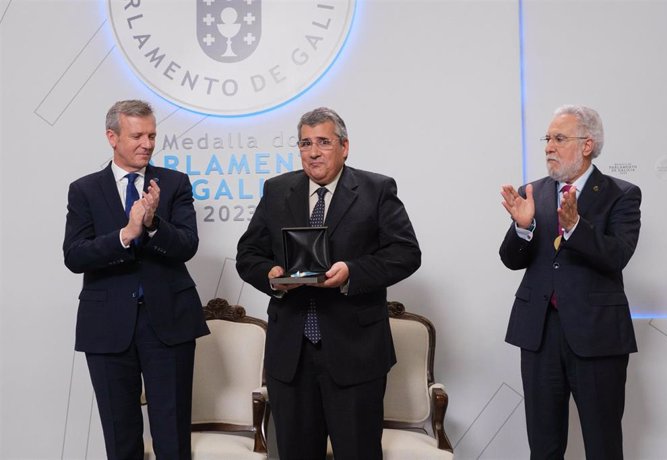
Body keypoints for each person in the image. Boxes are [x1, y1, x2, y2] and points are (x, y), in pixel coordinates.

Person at [236, 107, 421, 459]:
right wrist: (271, 277)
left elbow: (406, 253)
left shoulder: (376, 189)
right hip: (292, 355)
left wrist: (352, 272)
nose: (314, 151)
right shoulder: (277, 191)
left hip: (355, 353)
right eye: (305, 143)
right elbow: (248, 254)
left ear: (344, 146)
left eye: (323, 141)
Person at [63, 100, 209, 459]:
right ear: (112, 137)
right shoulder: (84, 190)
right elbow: (75, 255)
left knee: (172, 436)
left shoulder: (174, 183)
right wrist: (126, 234)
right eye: (137, 135)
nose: (147, 143)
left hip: (170, 323)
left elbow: (188, 245)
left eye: (152, 135)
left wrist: (154, 223)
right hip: (107, 326)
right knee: (120, 435)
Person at [499, 105, 641, 460]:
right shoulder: (532, 191)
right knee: (544, 446)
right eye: (547, 138)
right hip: (539, 334)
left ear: (587, 145)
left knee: (602, 444)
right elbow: (510, 260)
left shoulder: (621, 194)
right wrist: (523, 227)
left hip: (597, 336)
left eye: (559, 138)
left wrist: (577, 227)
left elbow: (617, 255)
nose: (549, 146)